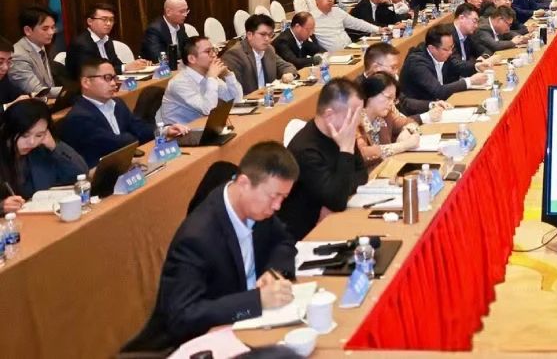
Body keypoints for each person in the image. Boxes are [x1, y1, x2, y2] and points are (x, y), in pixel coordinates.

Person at [125, 142, 300, 353]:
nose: (277, 206)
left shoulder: (256, 208)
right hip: (201, 343)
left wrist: (273, 272)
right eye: (274, 196)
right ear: (244, 183)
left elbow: (284, 240)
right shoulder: (197, 238)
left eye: (283, 198)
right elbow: (182, 315)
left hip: (252, 325)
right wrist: (255, 301)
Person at [279, 78, 368, 240]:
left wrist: (337, 193)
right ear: (329, 115)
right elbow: (338, 201)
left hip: (333, 219)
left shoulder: (343, 133)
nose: (358, 122)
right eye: (353, 115)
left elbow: (362, 175)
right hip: (305, 235)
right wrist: (346, 150)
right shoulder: (306, 150)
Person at [61, 60, 189, 167]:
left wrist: (165, 130)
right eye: (107, 78)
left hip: (125, 166)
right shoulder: (79, 117)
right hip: (99, 177)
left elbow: (139, 129)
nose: (113, 83)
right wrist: (132, 136)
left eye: (114, 78)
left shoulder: (117, 103)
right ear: (86, 82)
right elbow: (118, 143)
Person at [0, 99, 88, 206]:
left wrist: (55, 147)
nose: (32, 142)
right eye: (24, 135)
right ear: (7, 130)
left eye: (39, 135)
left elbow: (80, 174)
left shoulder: (42, 149)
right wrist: (2, 206)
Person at [158, 36, 245, 126]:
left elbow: (236, 100)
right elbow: (208, 110)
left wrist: (228, 74)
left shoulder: (209, 74)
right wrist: (212, 78)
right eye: (208, 52)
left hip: (205, 127)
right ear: (192, 59)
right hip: (182, 131)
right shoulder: (179, 83)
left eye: (213, 50)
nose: (214, 55)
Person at [401, 27, 492, 104]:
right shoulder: (417, 62)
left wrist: (476, 66)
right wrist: (470, 81)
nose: (450, 52)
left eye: (452, 47)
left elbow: (458, 66)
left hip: (442, 103)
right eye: (446, 49)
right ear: (432, 48)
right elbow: (438, 91)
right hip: (423, 109)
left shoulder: (444, 52)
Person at [64, 3, 149, 80]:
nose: (108, 23)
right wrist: (125, 67)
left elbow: (116, 64)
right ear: (90, 21)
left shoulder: (107, 40)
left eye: (111, 20)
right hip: (84, 88)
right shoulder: (81, 44)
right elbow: (94, 73)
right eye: (104, 19)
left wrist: (135, 65)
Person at [355, 73, 422, 167]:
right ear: (371, 93)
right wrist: (403, 145)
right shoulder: (354, 121)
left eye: (393, 100)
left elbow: (410, 122)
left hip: (386, 170)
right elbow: (363, 154)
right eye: (388, 98)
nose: (391, 104)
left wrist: (407, 130)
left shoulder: (386, 115)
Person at [223, 15, 299, 95]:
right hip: (248, 100)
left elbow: (287, 66)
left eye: (270, 35)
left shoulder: (268, 49)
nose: (267, 39)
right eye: (263, 34)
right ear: (249, 35)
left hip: (268, 97)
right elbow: (234, 92)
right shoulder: (235, 55)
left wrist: (289, 74)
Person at [9, 5, 65, 95]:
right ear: (28, 30)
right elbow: (37, 91)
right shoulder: (18, 56)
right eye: (45, 29)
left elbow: (49, 83)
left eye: (53, 27)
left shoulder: (40, 45)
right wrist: (67, 92)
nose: (51, 32)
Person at [309, 0, 381, 52]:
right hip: (333, 55)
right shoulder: (311, 18)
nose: (330, 0)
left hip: (350, 49)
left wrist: (378, 29)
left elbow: (356, 23)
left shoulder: (337, 11)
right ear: (317, 0)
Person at [141, 0, 194, 70]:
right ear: (168, 12)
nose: (185, 14)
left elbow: (187, 47)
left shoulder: (180, 26)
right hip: (158, 72)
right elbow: (158, 58)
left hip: (177, 68)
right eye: (182, 11)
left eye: (186, 11)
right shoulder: (154, 30)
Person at [449, 4, 495, 79]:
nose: (476, 26)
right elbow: (456, 65)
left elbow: (486, 50)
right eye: (474, 21)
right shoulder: (447, 35)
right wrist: (478, 64)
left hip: (467, 76)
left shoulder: (469, 34)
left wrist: (483, 57)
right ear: (461, 18)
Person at [0, 38, 21, 106]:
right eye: (0, 62)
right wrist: (9, 105)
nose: (6, 68)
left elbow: (18, 95)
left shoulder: (4, 79)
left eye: (9, 62)